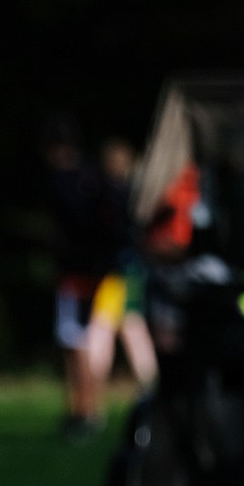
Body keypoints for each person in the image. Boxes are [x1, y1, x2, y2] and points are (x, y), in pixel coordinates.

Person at [41, 118, 108, 436]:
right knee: (85, 339)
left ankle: (85, 410)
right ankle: (84, 407)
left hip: (73, 273)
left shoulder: (62, 181)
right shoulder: (94, 175)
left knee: (74, 341)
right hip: (95, 271)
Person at [86, 138, 157, 392]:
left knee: (105, 326)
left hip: (118, 273)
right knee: (131, 326)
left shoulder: (111, 196)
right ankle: (149, 381)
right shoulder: (137, 197)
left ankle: (92, 378)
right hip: (132, 270)